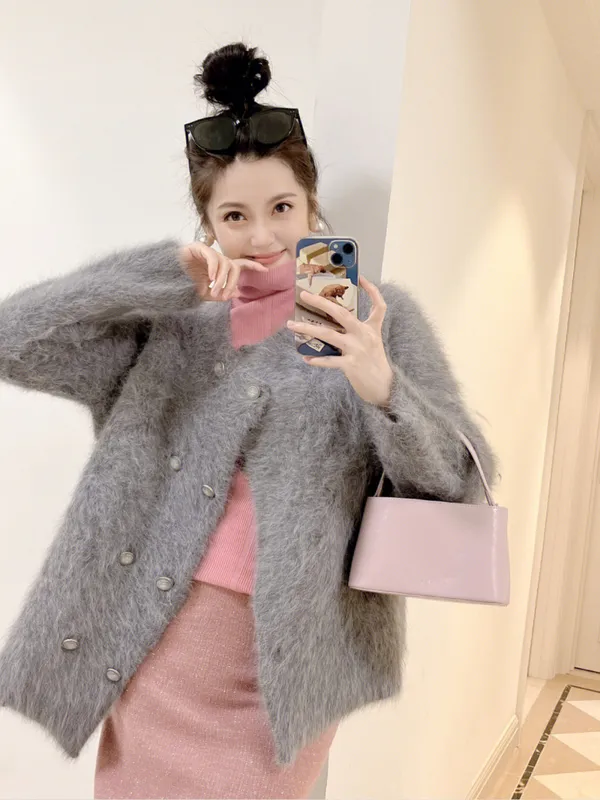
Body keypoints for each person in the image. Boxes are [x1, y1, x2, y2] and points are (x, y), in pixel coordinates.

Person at [0, 42, 497, 799]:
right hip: (156, 644)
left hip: (286, 669)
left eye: (281, 209)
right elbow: (14, 341)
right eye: (235, 215)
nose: (262, 237)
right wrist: (159, 275)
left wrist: (385, 390)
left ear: (312, 206)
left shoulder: (377, 320)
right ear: (207, 223)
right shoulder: (171, 325)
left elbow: (457, 481)